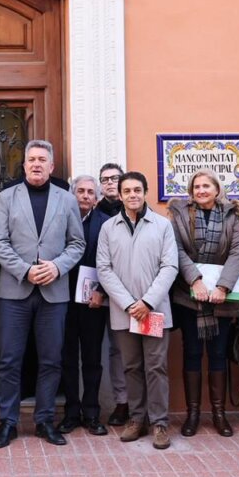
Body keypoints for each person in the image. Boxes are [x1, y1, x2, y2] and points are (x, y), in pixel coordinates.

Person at [0, 140, 86, 448]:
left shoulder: (67, 199)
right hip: (14, 291)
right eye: (31, 159)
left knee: (51, 360)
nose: (36, 164)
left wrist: (57, 268)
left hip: (54, 292)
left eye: (42, 159)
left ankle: (44, 421)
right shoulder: (6, 197)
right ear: (24, 164)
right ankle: (8, 422)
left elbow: (77, 244)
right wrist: (25, 270)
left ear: (51, 166)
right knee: (9, 360)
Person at [96, 171, 179, 449]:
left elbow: (170, 267)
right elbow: (104, 269)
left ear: (145, 192)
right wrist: (129, 303)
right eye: (127, 191)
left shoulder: (163, 225)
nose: (132, 195)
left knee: (156, 367)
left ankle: (160, 423)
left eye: (137, 190)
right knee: (131, 366)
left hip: (153, 310)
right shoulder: (108, 228)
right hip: (124, 311)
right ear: (119, 196)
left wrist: (147, 302)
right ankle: (136, 419)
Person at [167, 169, 239, 437]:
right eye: (196, 186)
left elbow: (237, 251)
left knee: (218, 353)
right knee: (192, 354)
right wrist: (195, 281)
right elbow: (175, 249)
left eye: (206, 186)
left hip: (221, 299)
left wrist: (223, 286)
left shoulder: (232, 214)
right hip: (190, 297)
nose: (201, 190)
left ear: (216, 189)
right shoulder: (178, 214)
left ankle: (219, 414)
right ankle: (193, 414)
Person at [59, 174, 111, 436]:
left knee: (92, 359)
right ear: (71, 193)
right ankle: (70, 413)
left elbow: (113, 262)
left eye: (91, 192)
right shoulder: (59, 219)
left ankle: (91, 413)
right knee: (67, 359)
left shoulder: (106, 224)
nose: (86, 196)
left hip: (94, 302)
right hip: (62, 300)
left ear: (98, 197)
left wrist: (101, 291)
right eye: (80, 190)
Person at [97, 162, 130, 426]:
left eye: (114, 178)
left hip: (141, 295)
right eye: (105, 179)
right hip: (107, 294)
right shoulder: (95, 215)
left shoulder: (140, 212)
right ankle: (123, 402)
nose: (109, 183)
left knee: (146, 352)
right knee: (117, 350)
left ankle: (145, 403)